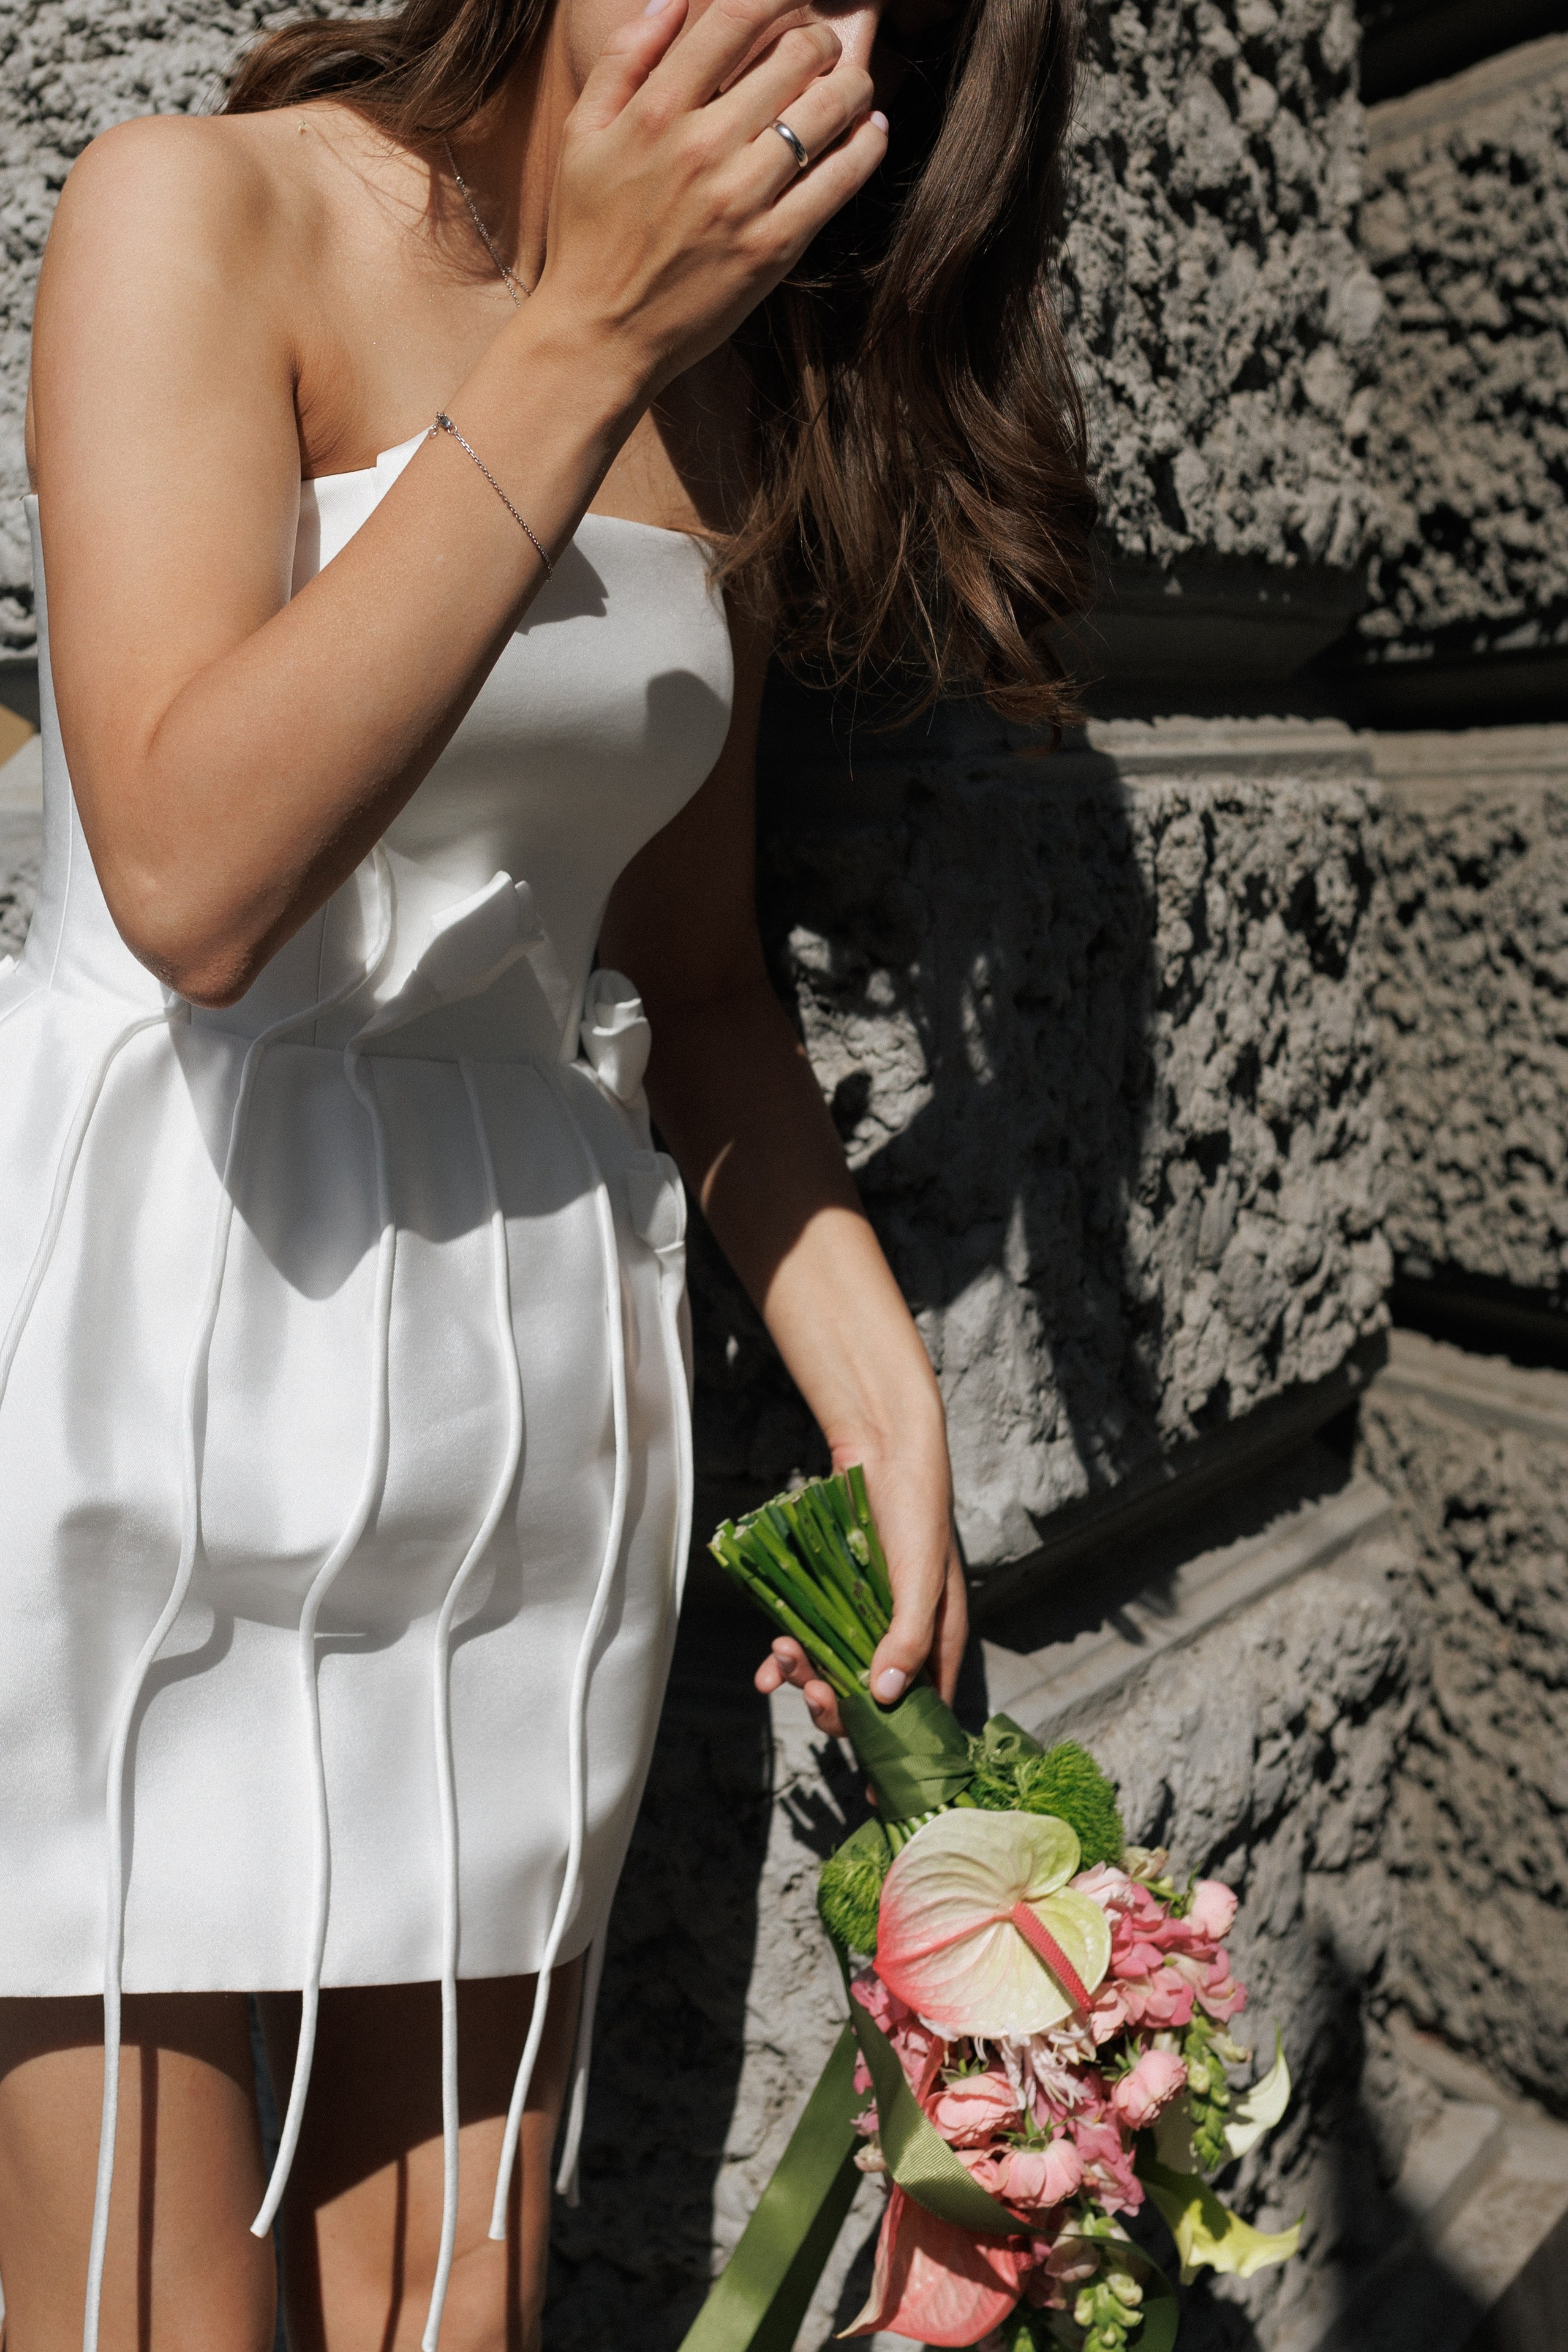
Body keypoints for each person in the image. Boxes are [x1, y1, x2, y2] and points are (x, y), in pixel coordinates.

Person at [0, 0, 1094, 2330]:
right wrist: (582, 332)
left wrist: (878, 1387)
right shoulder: (197, 213)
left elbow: (694, 985)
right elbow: (194, 882)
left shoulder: (721, 376)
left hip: (518, 1395)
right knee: (142, 2303)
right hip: (147, 1353)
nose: (788, 29)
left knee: (460, 2311)